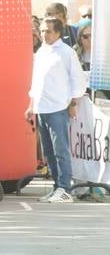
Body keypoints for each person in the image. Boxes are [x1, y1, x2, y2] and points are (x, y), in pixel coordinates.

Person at [27, 16, 87, 203]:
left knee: (61, 150)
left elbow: (78, 80)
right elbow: (36, 82)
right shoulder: (42, 51)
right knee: (48, 152)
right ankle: (57, 187)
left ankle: (64, 188)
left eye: (49, 31)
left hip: (59, 108)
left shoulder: (66, 52)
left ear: (59, 32)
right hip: (41, 108)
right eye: (42, 30)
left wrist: (73, 104)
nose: (44, 34)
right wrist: (31, 105)